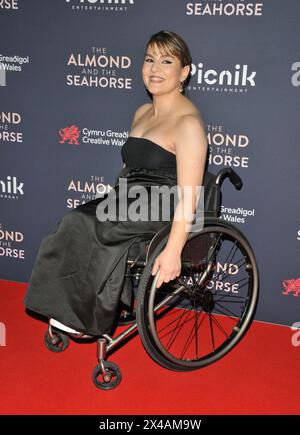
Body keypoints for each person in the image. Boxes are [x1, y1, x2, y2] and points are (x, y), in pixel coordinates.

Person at [24, 30, 208, 337]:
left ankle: (89, 312)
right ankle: (69, 307)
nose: (154, 69)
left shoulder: (188, 123)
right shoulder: (141, 113)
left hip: (165, 205)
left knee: (102, 228)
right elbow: (131, 167)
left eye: (166, 61)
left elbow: (190, 194)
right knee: (73, 221)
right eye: (149, 60)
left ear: (184, 72)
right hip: (130, 197)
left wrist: (174, 249)